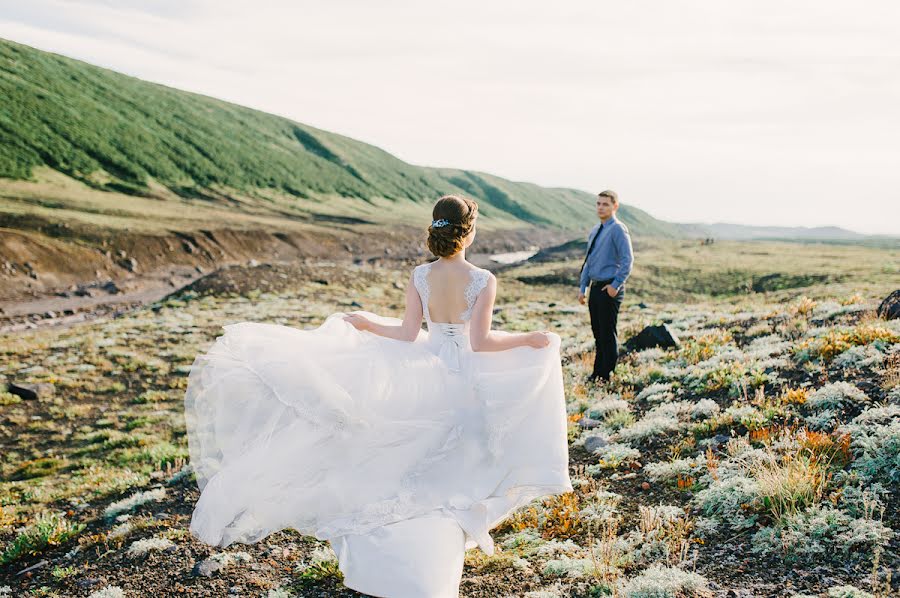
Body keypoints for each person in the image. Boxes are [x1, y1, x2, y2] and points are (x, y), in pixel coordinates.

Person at [183, 194, 573, 598]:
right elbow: (481, 341)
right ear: (469, 233)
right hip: (463, 380)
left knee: (419, 467)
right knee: (464, 467)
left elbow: (407, 333)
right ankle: (441, 555)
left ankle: (401, 562)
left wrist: (369, 323)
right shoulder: (482, 279)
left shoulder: (422, 275)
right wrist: (531, 339)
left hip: (427, 372)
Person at [577, 190, 634, 383]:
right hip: (595, 287)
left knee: (608, 333)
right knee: (598, 333)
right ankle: (597, 373)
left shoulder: (618, 229)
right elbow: (589, 261)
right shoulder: (595, 230)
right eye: (598, 204)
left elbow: (628, 260)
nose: (601, 207)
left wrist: (615, 285)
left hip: (609, 289)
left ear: (615, 206)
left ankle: (606, 374)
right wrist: (583, 287)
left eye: (605, 204)